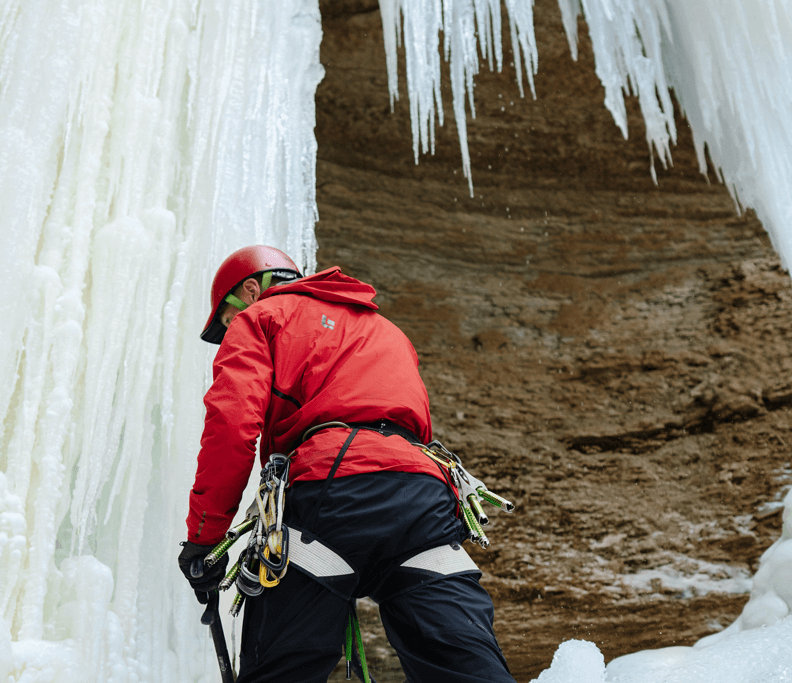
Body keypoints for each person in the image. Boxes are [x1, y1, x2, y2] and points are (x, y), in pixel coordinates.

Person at [178, 245, 515, 682]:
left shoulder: (262, 316)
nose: (229, 332)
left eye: (227, 320)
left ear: (251, 289)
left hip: (331, 494)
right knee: (467, 668)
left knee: (283, 669)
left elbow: (232, 423)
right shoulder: (387, 331)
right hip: (422, 500)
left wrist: (205, 540)